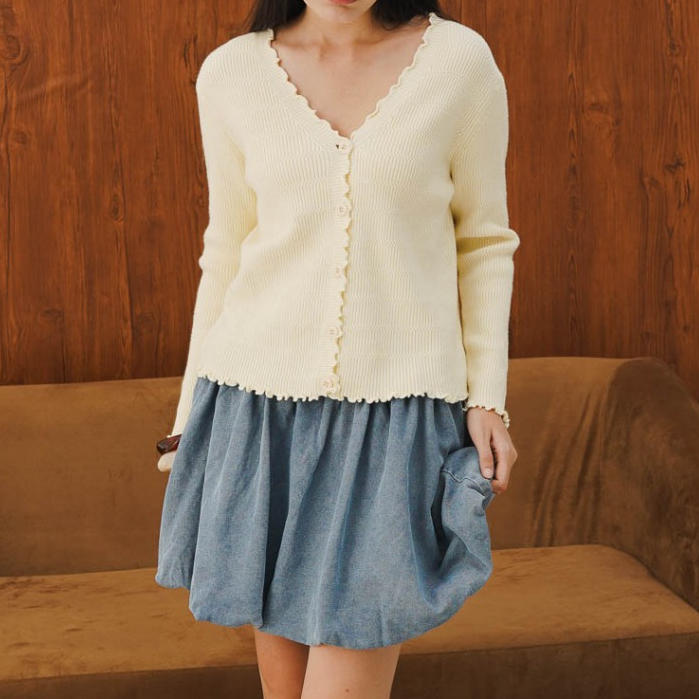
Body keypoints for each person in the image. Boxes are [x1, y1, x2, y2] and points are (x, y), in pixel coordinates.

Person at [154, 0, 520, 697]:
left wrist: (487, 398)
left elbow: (483, 242)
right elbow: (226, 251)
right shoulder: (231, 74)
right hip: (258, 419)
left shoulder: (458, 63)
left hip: (395, 421)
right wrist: (186, 425)